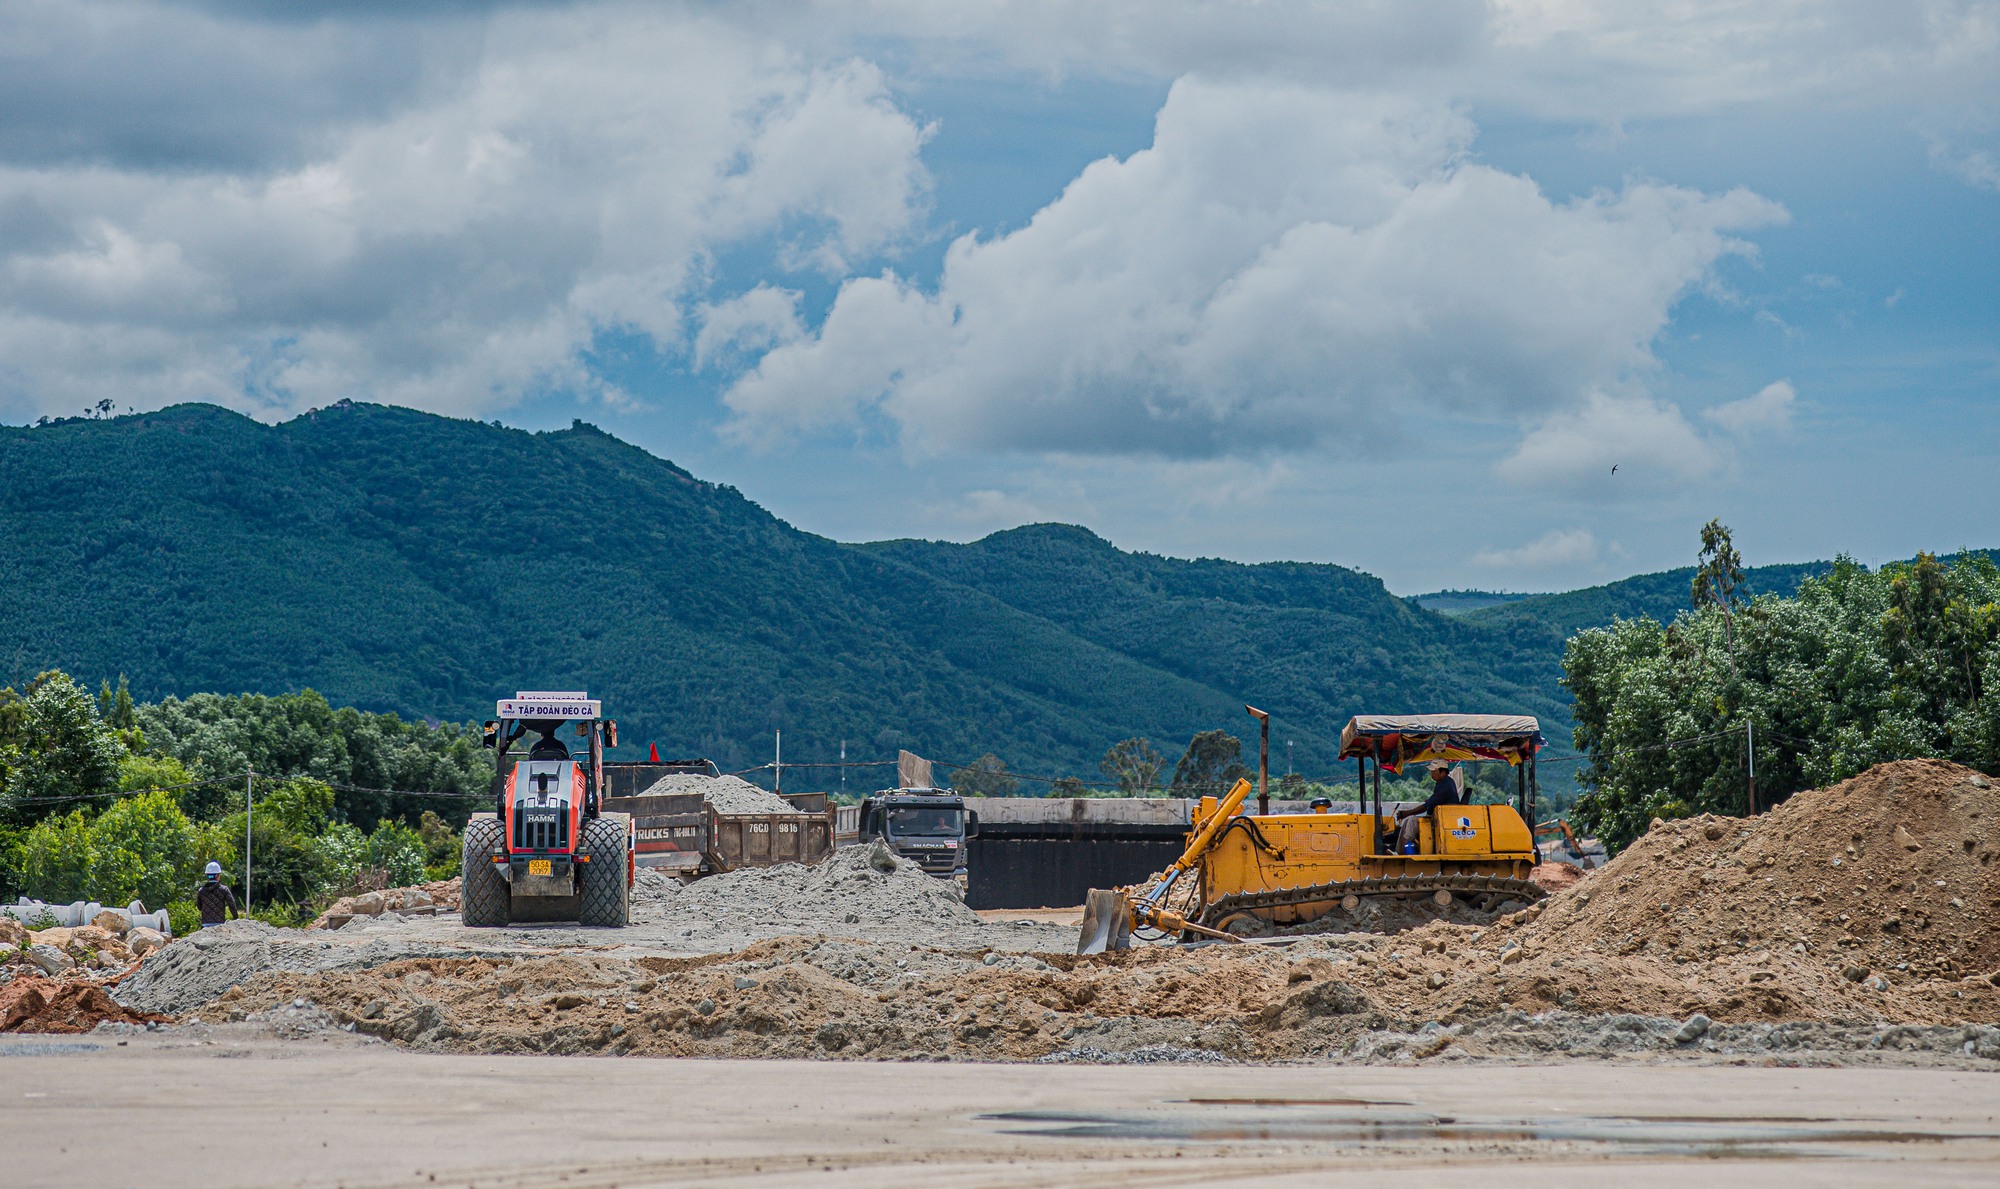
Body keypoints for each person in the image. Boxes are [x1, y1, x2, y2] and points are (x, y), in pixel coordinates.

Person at [1393, 762, 1462, 853]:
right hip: (1439, 818)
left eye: (1434, 771)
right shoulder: (1444, 782)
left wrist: (1406, 813)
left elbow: (1426, 806)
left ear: (1442, 772)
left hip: (1441, 820)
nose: (1432, 774)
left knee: (1411, 821)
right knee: (1408, 821)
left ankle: (1405, 852)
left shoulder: (1445, 784)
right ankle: (1399, 852)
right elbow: (1433, 801)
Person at [196, 861, 238, 928]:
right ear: (218, 875)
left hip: (205, 926)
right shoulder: (224, 889)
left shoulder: (201, 891)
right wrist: (236, 918)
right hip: (219, 925)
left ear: (207, 875)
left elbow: (199, 907)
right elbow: (232, 905)